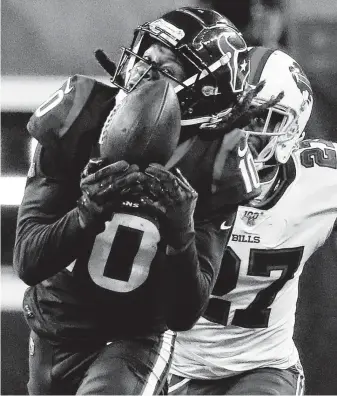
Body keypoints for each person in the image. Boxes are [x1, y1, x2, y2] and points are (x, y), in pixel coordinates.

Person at [13, 7, 270, 395]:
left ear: (204, 94)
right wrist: (86, 214)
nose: (142, 74)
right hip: (53, 324)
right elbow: (29, 260)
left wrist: (180, 233)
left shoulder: (218, 160)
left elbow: (184, 313)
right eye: (145, 58)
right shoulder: (80, 112)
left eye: (166, 70)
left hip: (133, 340)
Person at [168, 46, 337, 395]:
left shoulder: (322, 181)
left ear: (291, 130)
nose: (241, 130)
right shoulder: (181, 167)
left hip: (263, 367)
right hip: (173, 361)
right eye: (233, 112)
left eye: (260, 119)